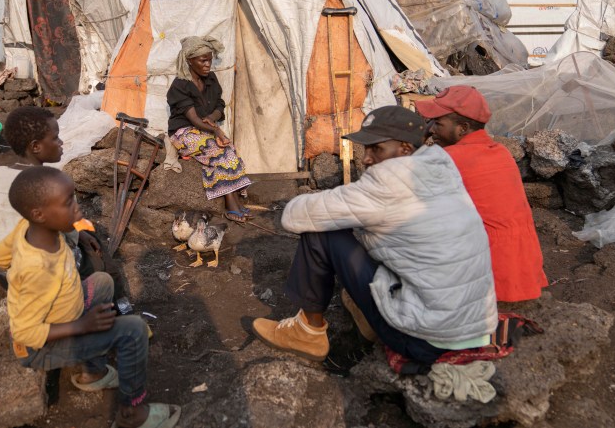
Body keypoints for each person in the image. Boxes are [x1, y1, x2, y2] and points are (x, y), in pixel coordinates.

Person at [252, 106, 497, 364]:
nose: (366, 158)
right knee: (370, 232)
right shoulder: (441, 168)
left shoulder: (388, 182)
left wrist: (341, 203)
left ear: (404, 149)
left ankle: (307, 332)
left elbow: (293, 216)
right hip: (475, 329)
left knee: (322, 232)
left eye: (376, 149)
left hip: (425, 340)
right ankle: (365, 315)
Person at [0, 167, 180, 428]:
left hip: (65, 315)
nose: (78, 211)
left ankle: (93, 372)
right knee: (133, 331)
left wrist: (76, 234)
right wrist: (81, 325)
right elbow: (24, 332)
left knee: (101, 282)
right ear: (39, 214)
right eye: (69, 203)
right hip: (41, 348)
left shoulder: (29, 227)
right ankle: (131, 415)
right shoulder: (37, 269)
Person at [416, 85, 548, 302]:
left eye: (437, 123)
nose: (430, 129)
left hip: (489, 274)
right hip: (522, 268)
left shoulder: (449, 158)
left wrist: (416, 142)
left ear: (462, 128)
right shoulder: (500, 152)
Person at [0, 106, 122, 297]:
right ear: (35, 147)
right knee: (99, 256)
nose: (61, 142)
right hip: (39, 280)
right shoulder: (53, 183)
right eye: (55, 138)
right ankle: (111, 305)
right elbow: (68, 236)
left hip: (2, 272)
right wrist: (80, 235)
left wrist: (77, 233)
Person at [166, 36, 252, 224]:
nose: (207, 65)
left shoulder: (211, 79)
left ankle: (235, 201)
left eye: (210, 60)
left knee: (229, 149)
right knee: (216, 150)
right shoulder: (180, 85)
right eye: (202, 60)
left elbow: (220, 104)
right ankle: (231, 206)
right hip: (184, 133)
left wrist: (212, 118)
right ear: (189, 60)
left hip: (204, 129)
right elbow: (194, 120)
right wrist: (217, 131)